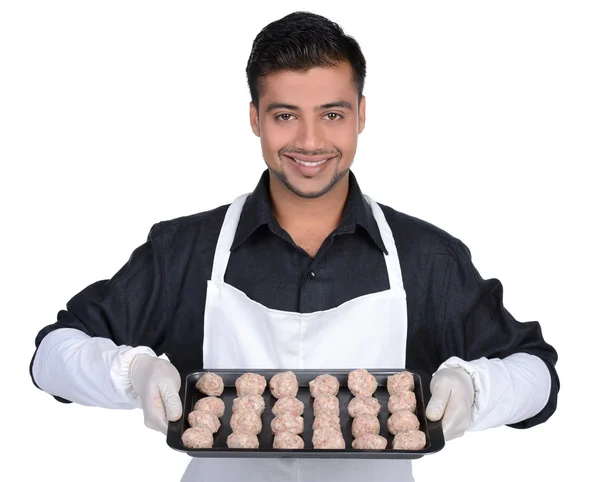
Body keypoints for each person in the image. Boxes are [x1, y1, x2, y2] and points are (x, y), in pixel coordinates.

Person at [29, 10, 559, 482]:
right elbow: (51, 356)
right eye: (285, 115)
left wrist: (475, 388)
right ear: (256, 117)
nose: (309, 141)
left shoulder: (427, 258)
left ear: (361, 114)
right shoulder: (185, 250)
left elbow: (537, 375)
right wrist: (132, 374)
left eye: (332, 114)